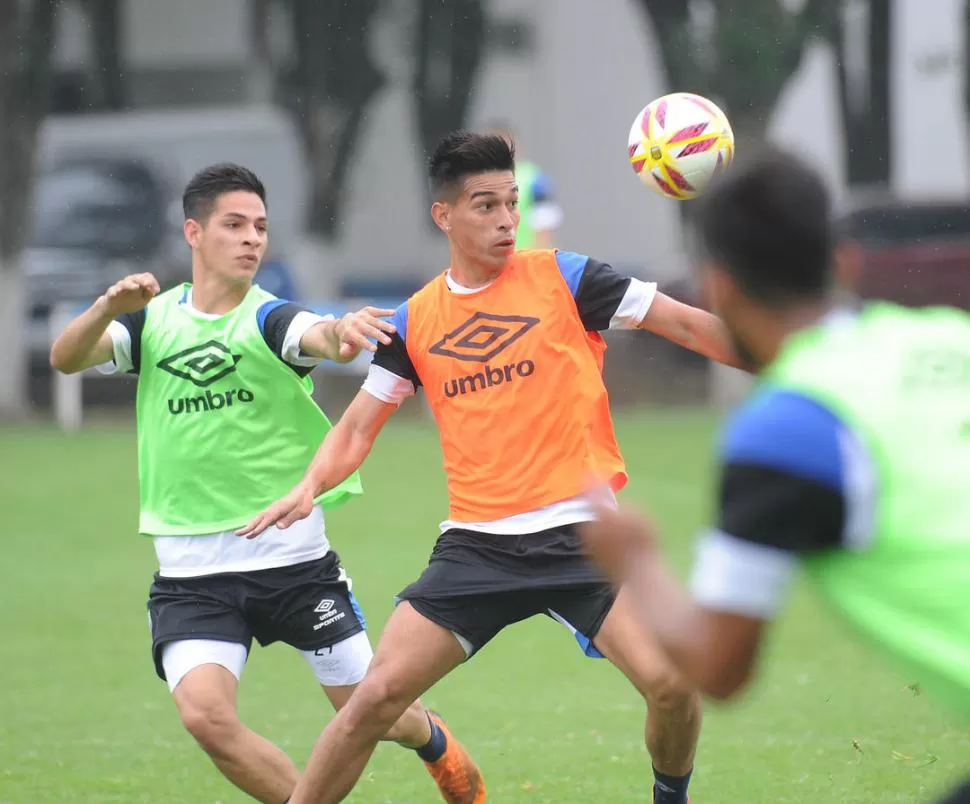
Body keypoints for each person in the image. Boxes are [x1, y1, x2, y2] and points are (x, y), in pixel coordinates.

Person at [239, 131, 748, 803]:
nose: (506, 220)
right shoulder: (417, 320)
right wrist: (310, 484)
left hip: (584, 536)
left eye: (511, 203)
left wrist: (794, 359)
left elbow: (686, 326)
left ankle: (670, 797)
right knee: (373, 701)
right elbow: (359, 425)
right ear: (443, 215)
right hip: (478, 548)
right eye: (485, 206)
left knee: (674, 686)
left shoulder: (569, 278)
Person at [49, 163, 483, 804]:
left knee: (375, 713)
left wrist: (341, 332)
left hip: (293, 563)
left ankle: (433, 739)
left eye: (260, 227)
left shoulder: (269, 318)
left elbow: (320, 337)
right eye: (234, 225)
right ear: (194, 232)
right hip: (191, 572)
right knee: (205, 718)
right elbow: (66, 357)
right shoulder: (153, 322)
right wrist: (108, 308)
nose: (252, 238)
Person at [579, 150, 970, 804]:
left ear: (718, 290)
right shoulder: (949, 338)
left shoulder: (789, 428)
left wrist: (636, 560)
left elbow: (718, 667)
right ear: (843, 261)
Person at [489, 122, 563, 248]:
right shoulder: (476, 181)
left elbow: (545, 228)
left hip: (526, 260)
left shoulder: (534, 180)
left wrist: (538, 263)